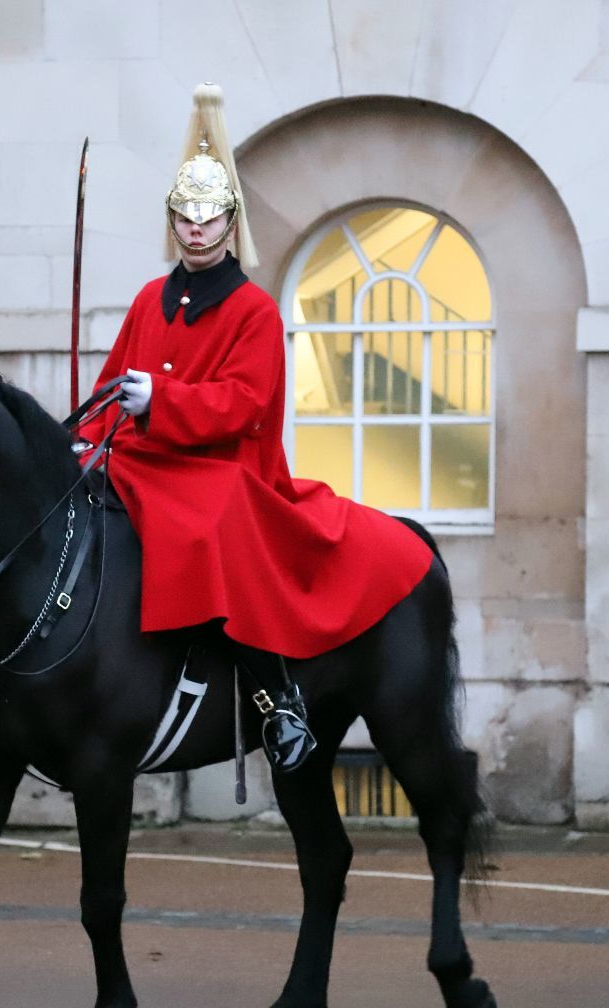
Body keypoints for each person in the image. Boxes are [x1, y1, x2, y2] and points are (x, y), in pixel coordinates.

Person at [78, 83, 435, 773]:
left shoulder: (254, 311)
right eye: (185, 216)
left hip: (225, 470)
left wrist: (162, 400)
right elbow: (110, 386)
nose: (196, 229)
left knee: (204, 522)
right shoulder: (150, 299)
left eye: (210, 217)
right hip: (142, 461)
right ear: (173, 221)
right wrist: (86, 437)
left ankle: (276, 702)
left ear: (230, 222)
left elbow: (242, 405)